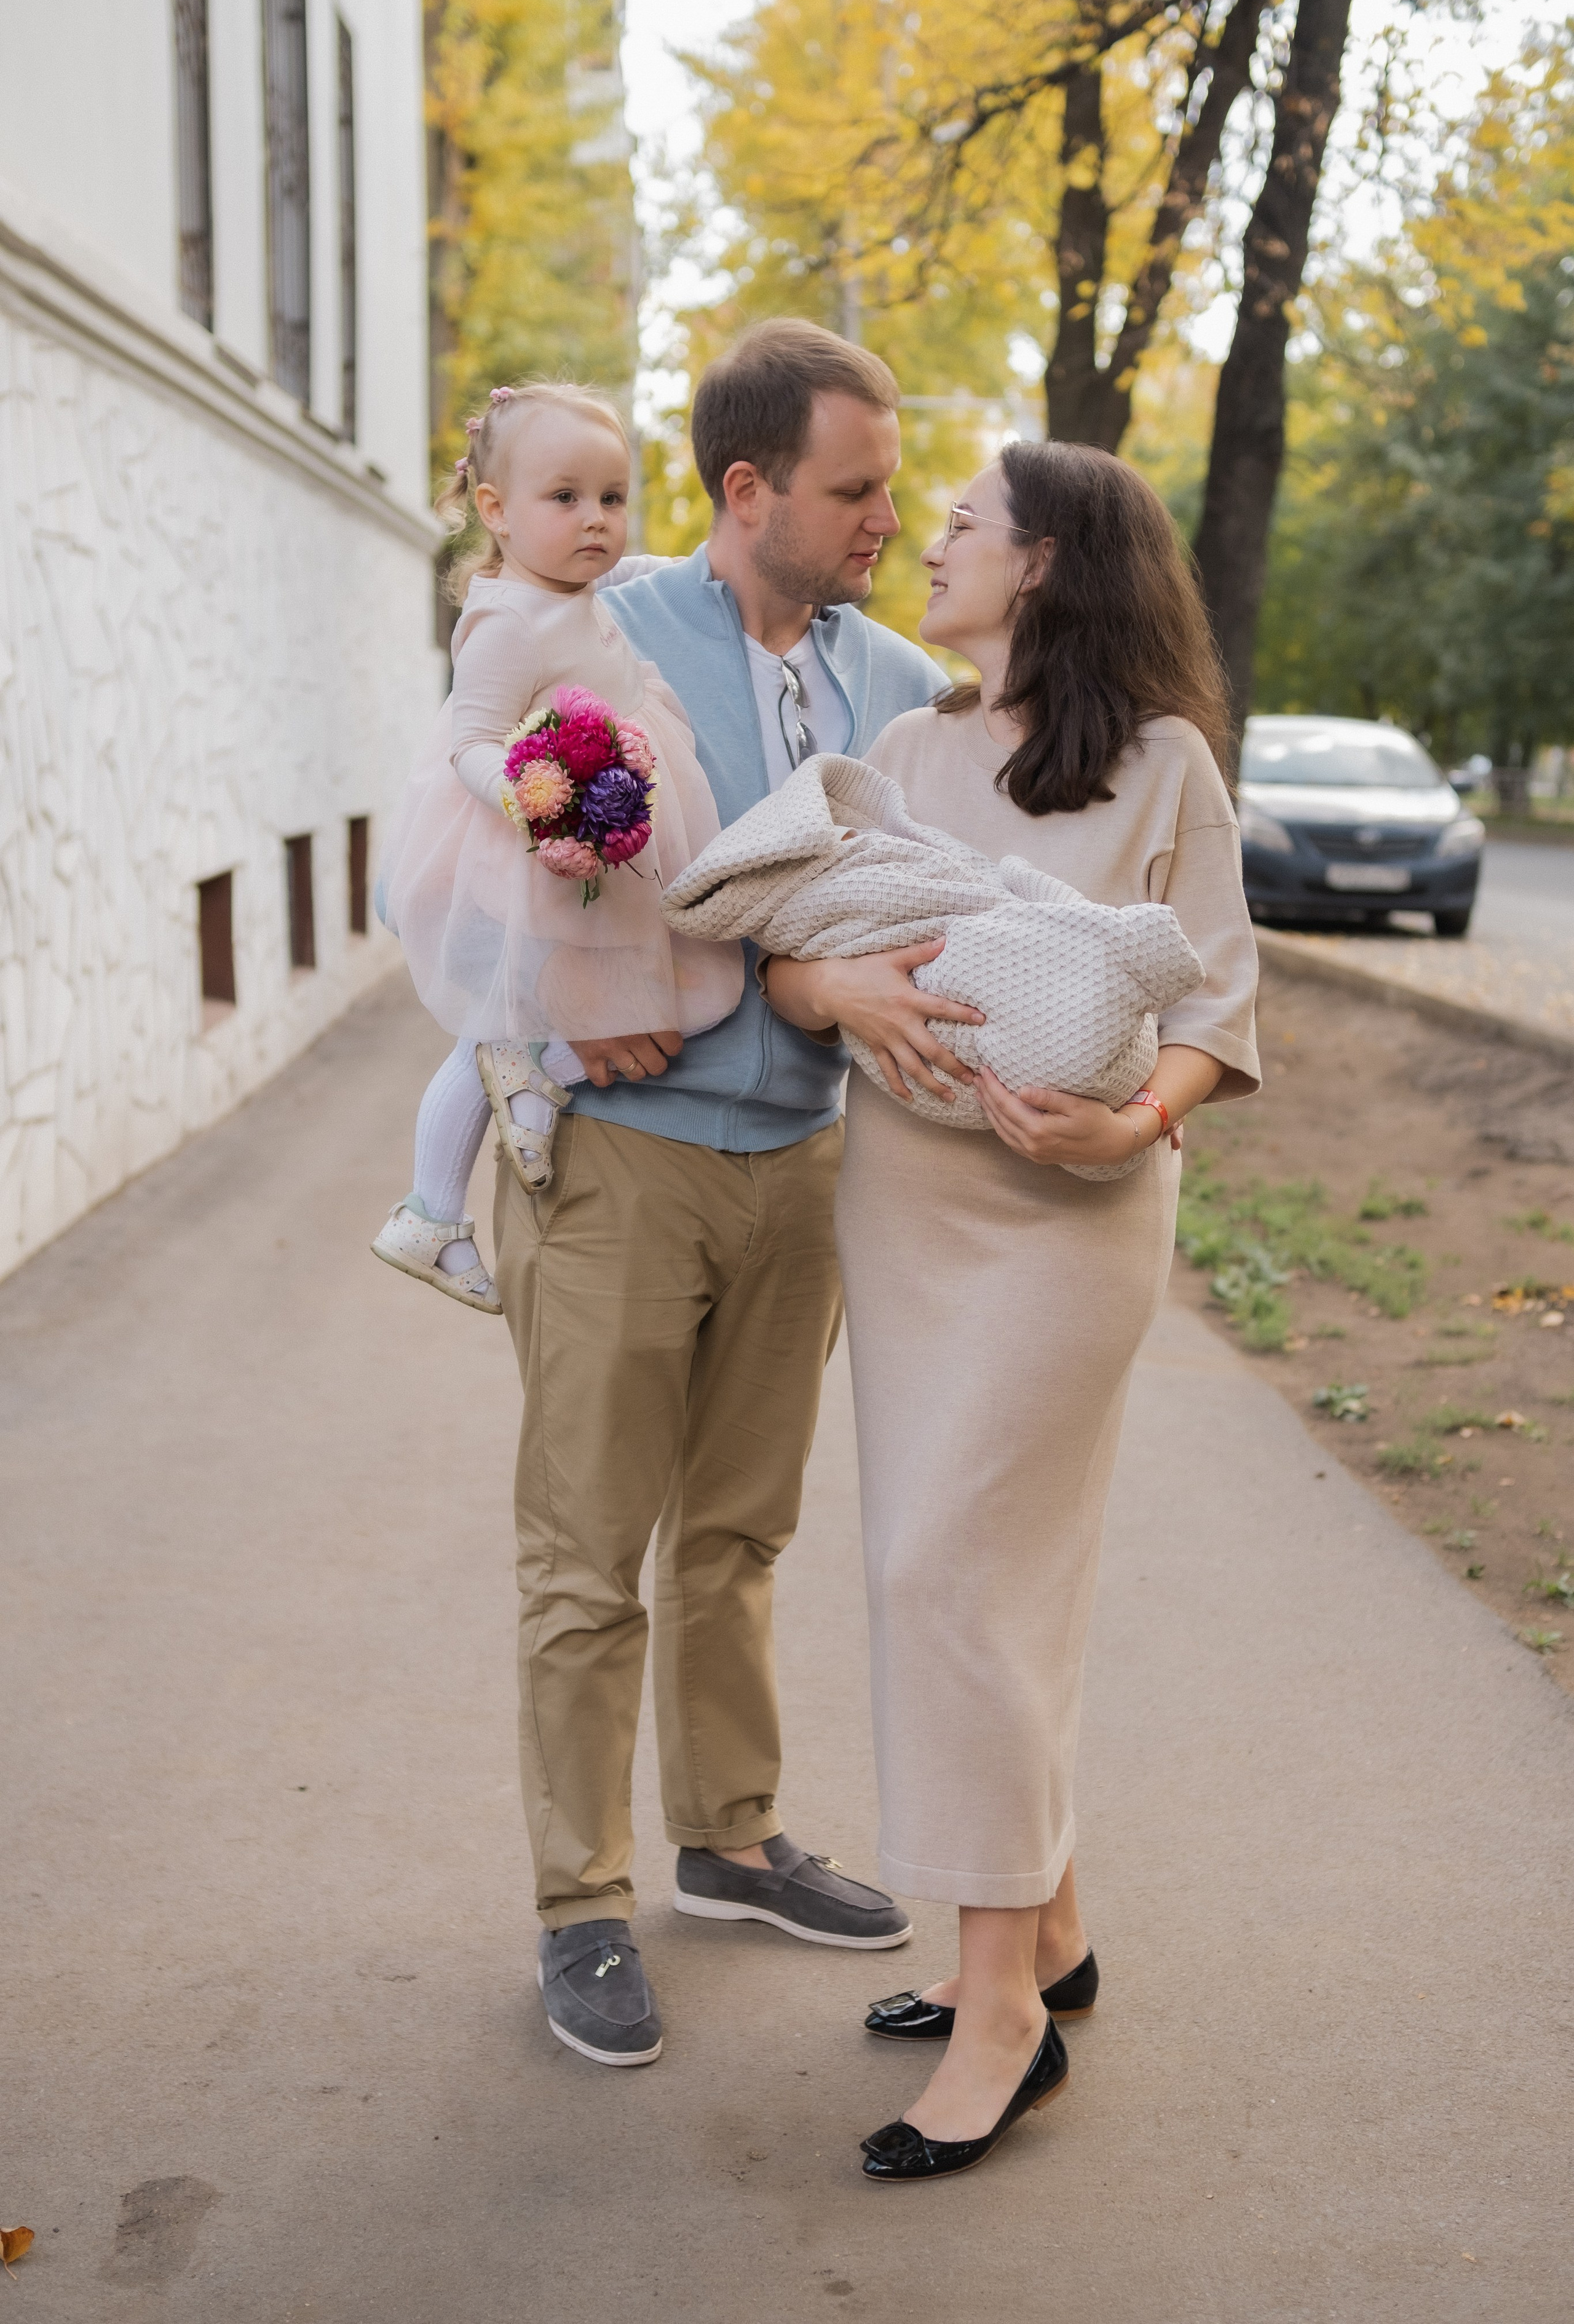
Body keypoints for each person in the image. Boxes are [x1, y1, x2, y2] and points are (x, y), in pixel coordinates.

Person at [764, 439, 1260, 2178]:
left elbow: (1218, 992)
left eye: (963, 524)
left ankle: (1000, 2018)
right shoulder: (901, 750)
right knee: (962, 1560)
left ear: (1047, 562)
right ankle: (1046, 1928)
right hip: (907, 1206)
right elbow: (803, 930)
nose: (929, 543)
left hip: (1076, 1211)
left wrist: (1134, 1114)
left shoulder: (1166, 762)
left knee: (951, 1567)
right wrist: (825, 986)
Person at [491, 320, 952, 2068]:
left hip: (806, 1167)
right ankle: (580, 1906)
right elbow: (532, 859)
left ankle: (730, 1838)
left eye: (896, 490)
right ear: (745, 488)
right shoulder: (604, 636)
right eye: (853, 490)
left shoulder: (896, 683)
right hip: (630, 1156)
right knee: (588, 1553)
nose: (881, 520)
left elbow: (919, 887)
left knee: (741, 1534)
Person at [373, 382, 742, 1313]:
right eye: (566, 498)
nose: (597, 521)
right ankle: (434, 1205)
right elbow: (470, 741)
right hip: (531, 845)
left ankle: (484, 1144)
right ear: (494, 513)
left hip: (598, 838)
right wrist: (534, 804)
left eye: (612, 499)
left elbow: (658, 571)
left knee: (651, 997)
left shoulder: (581, 585)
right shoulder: (505, 619)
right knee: (514, 1018)